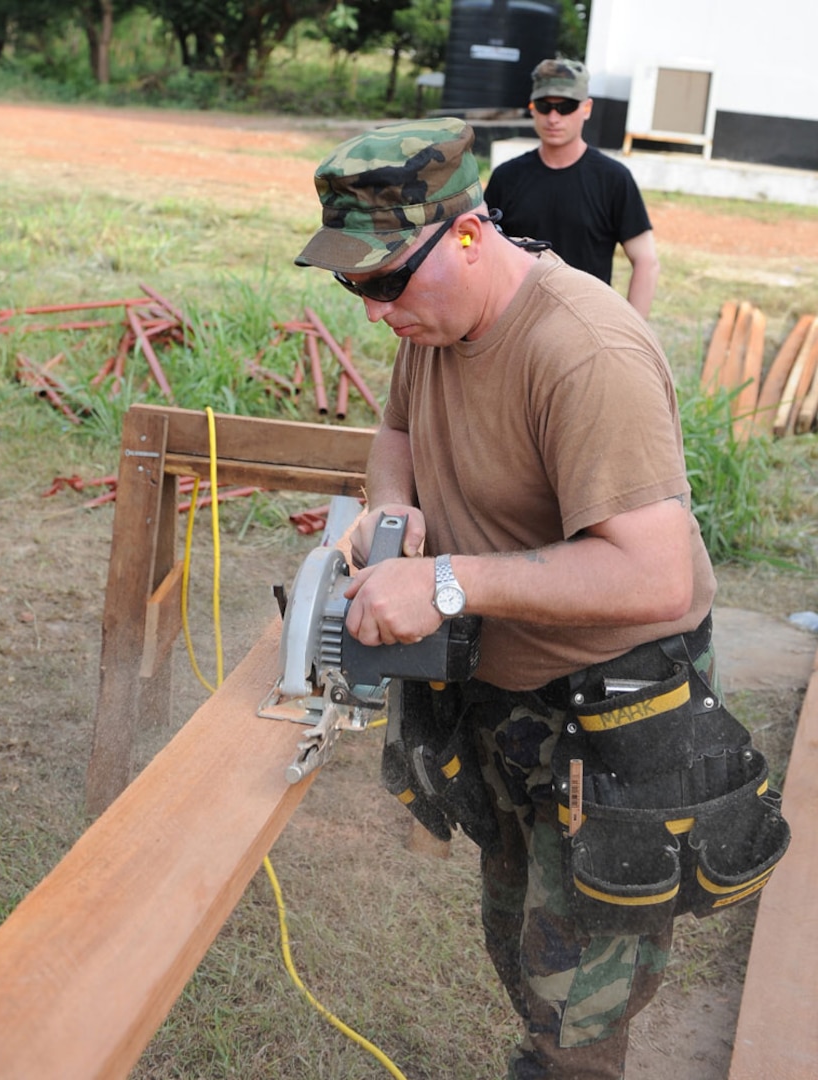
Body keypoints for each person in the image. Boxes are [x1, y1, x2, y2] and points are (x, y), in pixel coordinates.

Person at [294, 118, 787, 1080]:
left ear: (471, 233)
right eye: (353, 283)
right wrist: (395, 515)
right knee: (518, 931)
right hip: (514, 694)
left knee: (583, 992)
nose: (373, 309)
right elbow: (396, 431)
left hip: (615, 704)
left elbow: (656, 574)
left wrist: (446, 582)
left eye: (388, 279)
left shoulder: (586, 350)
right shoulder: (432, 316)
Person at [484, 58, 660, 318]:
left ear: (586, 108)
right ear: (532, 108)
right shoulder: (506, 177)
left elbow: (646, 261)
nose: (553, 118)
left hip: (587, 323)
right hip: (517, 325)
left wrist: (633, 335)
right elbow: (484, 253)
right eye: (544, 106)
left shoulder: (613, 179)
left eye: (566, 107)